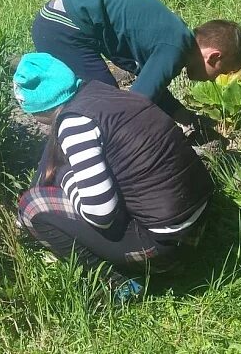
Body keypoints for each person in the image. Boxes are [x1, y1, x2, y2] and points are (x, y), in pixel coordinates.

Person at [13, 53, 213, 301]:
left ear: (37, 109)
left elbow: (102, 214)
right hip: (201, 222)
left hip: (168, 244)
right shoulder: (105, 94)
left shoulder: (75, 124)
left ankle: (121, 288)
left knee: (33, 205)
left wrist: (65, 179)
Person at [31, 0, 241, 125]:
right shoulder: (175, 49)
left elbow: (152, 86)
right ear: (214, 56)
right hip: (63, 26)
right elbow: (135, 106)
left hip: (59, 20)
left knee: (104, 104)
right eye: (220, 72)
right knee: (105, 108)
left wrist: (189, 119)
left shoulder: (174, 38)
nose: (214, 79)